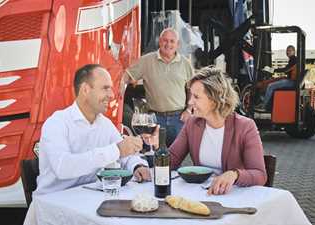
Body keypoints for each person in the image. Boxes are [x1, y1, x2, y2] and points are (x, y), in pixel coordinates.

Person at [148, 67, 267, 195]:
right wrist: (157, 147)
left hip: (234, 195)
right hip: (203, 194)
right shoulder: (192, 124)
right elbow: (172, 160)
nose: (189, 101)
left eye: (196, 97)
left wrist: (234, 174)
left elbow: (260, 175)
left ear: (215, 100)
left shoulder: (245, 126)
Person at [34, 64, 150, 196]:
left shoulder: (105, 124)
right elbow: (62, 167)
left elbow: (125, 156)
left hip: (88, 198)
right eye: (105, 88)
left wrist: (138, 166)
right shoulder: (57, 123)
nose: (112, 95)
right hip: (53, 204)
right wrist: (117, 150)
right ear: (85, 90)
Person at [121, 28, 194, 146]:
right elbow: (127, 76)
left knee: (177, 156)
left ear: (178, 44)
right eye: (165, 40)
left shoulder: (185, 63)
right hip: (155, 119)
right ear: (159, 42)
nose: (168, 44)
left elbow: (193, 89)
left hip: (179, 119)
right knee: (154, 155)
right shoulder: (147, 60)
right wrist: (119, 89)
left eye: (172, 41)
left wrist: (189, 110)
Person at [258, 45, 298, 111]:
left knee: (270, 86)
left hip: (292, 82)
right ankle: (264, 100)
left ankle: (263, 106)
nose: (288, 52)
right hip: (290, 80)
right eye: (287, 50)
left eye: (290, 50)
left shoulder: (294, 59)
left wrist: (271, 70)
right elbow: (287, 71)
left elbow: (285, 70)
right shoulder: (292, 59)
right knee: (271, 81)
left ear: (294, 52)